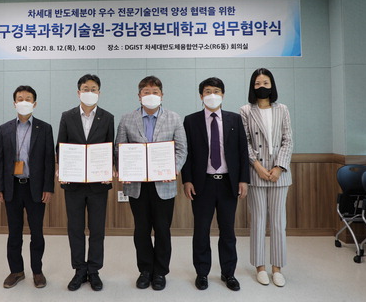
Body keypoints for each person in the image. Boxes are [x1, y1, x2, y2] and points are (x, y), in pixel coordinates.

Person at [115, 75, 187, 291]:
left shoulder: (174, 118)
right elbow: (120, 149)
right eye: (146, 92)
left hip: (164, 184)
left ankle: (160, 272)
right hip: (137, 185)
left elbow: (181, 150)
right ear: (139, 96)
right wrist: (124, 169)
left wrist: (172, 170)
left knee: (163, 230)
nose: (151, 96)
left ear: (162, 95)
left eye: (155, 92)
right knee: (141, 230)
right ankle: (145, 270)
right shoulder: (127, 119)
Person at [181, 77, 249, 292]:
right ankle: (202, 272)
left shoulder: (234, 119)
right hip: (203, 184)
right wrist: (187, 180)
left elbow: (242, 151)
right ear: (201, 95)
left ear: (223, 95)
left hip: (228, 183)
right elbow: (187, 153)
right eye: (208, 91)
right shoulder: (191, 121)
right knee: (201, 231)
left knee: (228, 231)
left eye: (216, 91)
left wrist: (243, 179)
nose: (212, 95)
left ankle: (229, 273)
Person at [0, 85, 55, 289]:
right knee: (14, 232)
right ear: (14, 103)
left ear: (34, 104)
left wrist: (48, 187)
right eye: (20, 99)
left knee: (37, 232)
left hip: (35, 188)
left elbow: (49, 160)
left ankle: (37, 271)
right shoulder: (4, 128)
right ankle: (16, 271)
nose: (24, 102)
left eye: (28, 99)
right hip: (12, 187)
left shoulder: (44, 128)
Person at [57, 74, 114, 291]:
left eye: (93, 88)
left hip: (99, 183)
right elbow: (61, 146)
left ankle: (94, 270)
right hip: (74, 183)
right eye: (85, 88)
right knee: (75, 229)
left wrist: (110, 167)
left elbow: (110, 147)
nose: (89, 92)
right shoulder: (67, 116)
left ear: (99, 92)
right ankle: (79, 270)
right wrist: (62, 167)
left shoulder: (107, 117)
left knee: (97, 230)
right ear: (78, 92)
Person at [239, 68, 293, 287]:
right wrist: (257, 166)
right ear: (252, 86)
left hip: (279, 174)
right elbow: (244, 142)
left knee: (279, 222)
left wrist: (279, 167)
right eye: (258, 83)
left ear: (272, 86)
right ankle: (260, 267)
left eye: (266, 83)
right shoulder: (245, 110)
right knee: (258, 221)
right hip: (256, 172)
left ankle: (277, 268)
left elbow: (288, 140)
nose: (262, 87)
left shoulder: (282, 109)